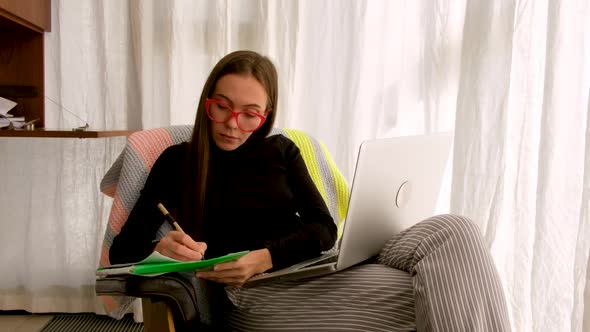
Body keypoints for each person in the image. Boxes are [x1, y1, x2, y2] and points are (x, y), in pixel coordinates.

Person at [110, 50, 511, 331]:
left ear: (266, 115)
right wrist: (160, 248)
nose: (233, 124)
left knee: (456, 229)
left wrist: (267, 255)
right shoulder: (176, 161)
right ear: (206, 103)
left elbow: (323, 227)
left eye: (250, 114)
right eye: (222, 107)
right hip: (254, 295)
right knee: (445, 291)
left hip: (319, 264)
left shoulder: (281, 148)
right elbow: (120, 254)